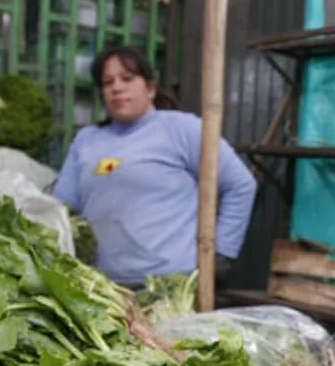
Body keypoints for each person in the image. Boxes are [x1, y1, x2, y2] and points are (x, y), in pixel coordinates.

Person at [53, 46, 257, 287]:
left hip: (169, 284)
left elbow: (241, 185)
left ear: (150, 88)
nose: (116, 88)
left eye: (127, 79)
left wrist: (222, 253)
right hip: (101, 287)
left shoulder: (182, 129)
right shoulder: (87, 139)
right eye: (107, 82)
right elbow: (61, 205)